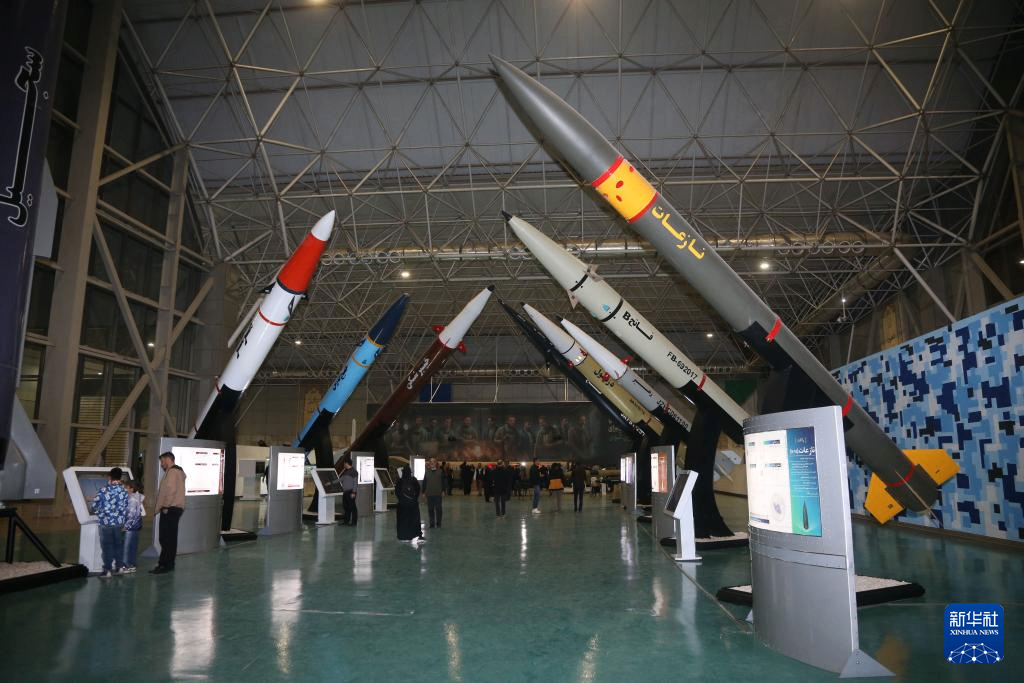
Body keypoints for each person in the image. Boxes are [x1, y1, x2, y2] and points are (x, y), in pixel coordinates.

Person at [151, 451, 186, 574]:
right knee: (170, 538)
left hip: (170, 508)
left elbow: (170, 490)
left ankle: (165, 565)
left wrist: (165, 506)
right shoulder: (178, 471)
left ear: (167, 459)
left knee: (166, 538)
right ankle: (167, 564)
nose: (161, 464)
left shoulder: (172, 472)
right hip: (175, 508)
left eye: (162, 461)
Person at [92, 467, 128, 578]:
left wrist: (100, 513)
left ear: (110, 477)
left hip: (106, 523)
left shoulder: (104, 490)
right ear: (120, 477)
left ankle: (107, 570)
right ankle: (119, 567)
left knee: (107, 546)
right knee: (118, 545)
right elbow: (126, 506)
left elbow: (95, 506)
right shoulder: (124, 491)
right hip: (119, 523)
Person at [122, 480, 145, 572]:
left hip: (130, 527)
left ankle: (125, 565)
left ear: (131, 489)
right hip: (136, 526)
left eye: (126, 487)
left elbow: (131, 515)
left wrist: (126, 526)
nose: (124, 489)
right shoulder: (138, 497)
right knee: (133, 546)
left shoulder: (131, 499)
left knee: (126, 546)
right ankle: (131, 564)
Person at [395, 465, 423, 542]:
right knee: (414, 520)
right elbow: (418, 490)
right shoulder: (414, 480)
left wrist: (402, 500)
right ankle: (414, 534)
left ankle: (403, 536)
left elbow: (397, 492)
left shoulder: (400, 481)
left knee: (403, 521)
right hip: (413, 505)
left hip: (402, 506)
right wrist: (414, 499)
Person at [423, 458, 445, 528]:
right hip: (429, 494)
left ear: (436, 463)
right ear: (429, 463)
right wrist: (423, 492)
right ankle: (432, 524)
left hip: (438, 494)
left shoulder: (440, 472)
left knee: (439, 509)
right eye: (430, 462)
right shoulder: (427, 472)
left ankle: (438, 523)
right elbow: (424, 483)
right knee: (430, 510)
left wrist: (443, 491)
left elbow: (443, 482)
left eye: (433, 462)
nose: (432, 463)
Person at [339, 457, 358, 526]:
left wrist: (354, 492)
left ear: (347, 463)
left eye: (344, 463)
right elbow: (341, 479)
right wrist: (331, 482)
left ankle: (354, 522)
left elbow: (355, 483)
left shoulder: (354, 471)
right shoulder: (346, 471)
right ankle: (346, 521)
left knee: (353, 507)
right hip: (345, 492)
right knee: (346, 507)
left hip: (351, 492)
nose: (343, 464)